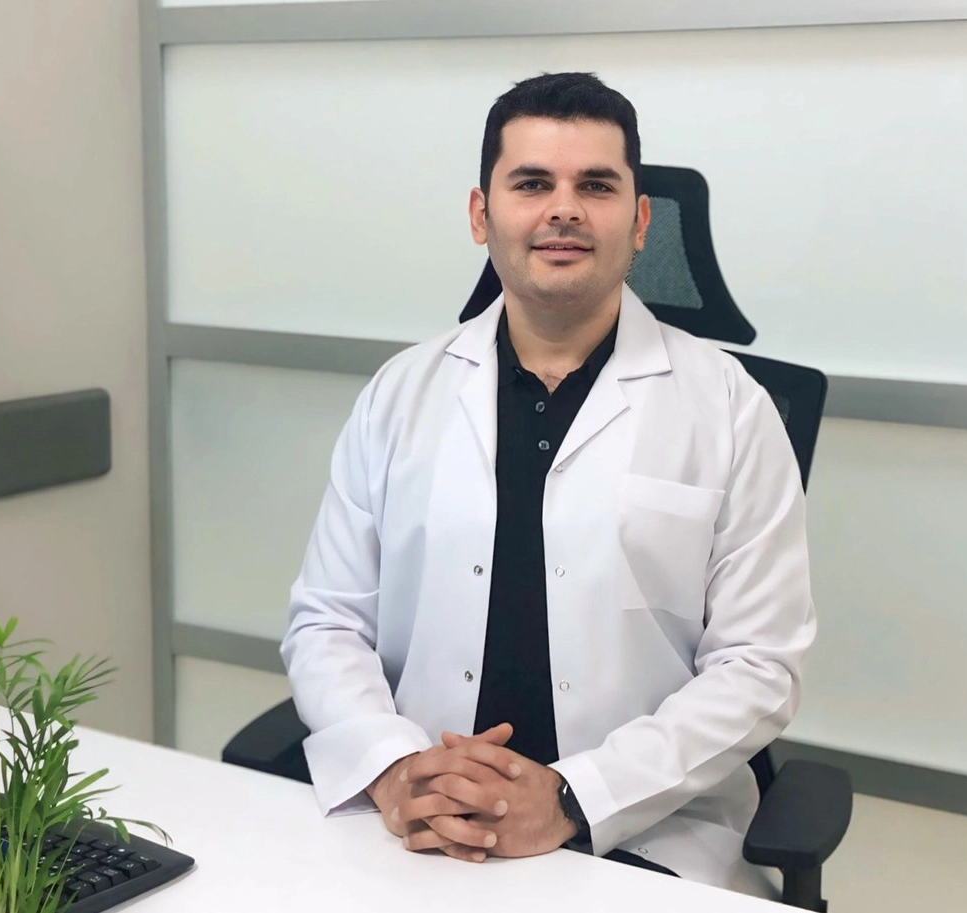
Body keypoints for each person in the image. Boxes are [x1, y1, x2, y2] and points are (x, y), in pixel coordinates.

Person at [281, 71, 815, 895]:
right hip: (424, 829)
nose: (563, 209)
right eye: (532, 183)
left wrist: (573, 796)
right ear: (480, 214)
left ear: (640, 222)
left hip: (645, 836)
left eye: (595, 186)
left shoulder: (731, 410)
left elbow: (759, 664)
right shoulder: (400, 394)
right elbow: (326, 620)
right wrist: (392, 768)